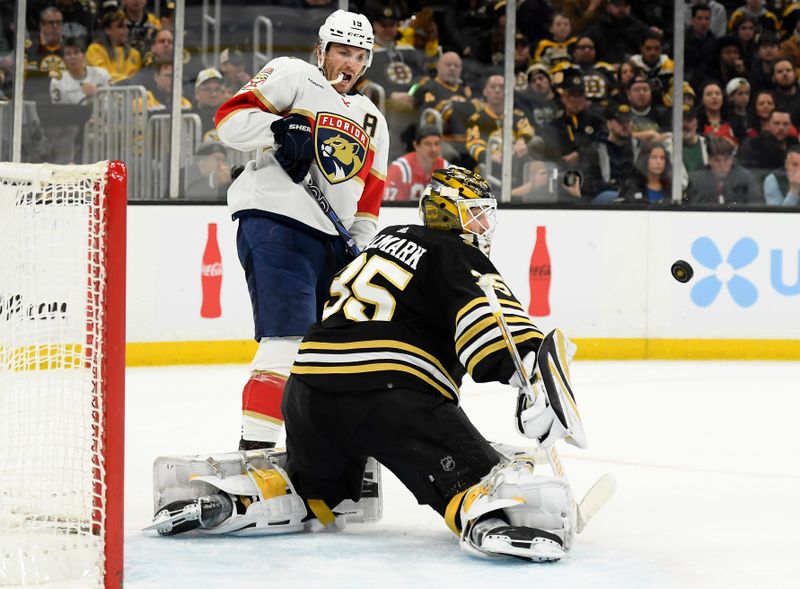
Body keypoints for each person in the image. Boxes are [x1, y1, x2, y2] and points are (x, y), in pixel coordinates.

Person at [147, 167, 584, 565]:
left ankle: (244, 499)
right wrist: (526, 375)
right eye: (476, 215)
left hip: (308, 394)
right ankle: (493, 514)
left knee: (313, 491)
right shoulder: (456, 252)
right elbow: (491, 323)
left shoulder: (378, 244)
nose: (483, 226)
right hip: (390, 394)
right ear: (450, 213)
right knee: (473, 478)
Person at [214, 9, 389, 450]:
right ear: (322, 50)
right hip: (277, 225)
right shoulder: (293, 75)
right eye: (341, 51)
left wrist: (361, 253)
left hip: (335, 244)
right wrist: (279, 128)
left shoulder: (373, 119)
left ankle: (326, 455)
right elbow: (229, 120)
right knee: (287, 341)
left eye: (358, 55)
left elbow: (367, 201)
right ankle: (254, 453)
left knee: (335, 355)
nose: (348, 63)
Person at [685, 136, 763, 206]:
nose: (722, 165)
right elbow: (692, 208)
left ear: (732, 159)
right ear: (709, 160)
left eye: (726, 160)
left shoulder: (745, 178)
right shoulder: (696, 180)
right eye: (716, 160)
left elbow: (756, 204)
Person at [383, 125, 449, 201]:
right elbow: (390, 207)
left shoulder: (446, 169)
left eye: (437, 144)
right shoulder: (400, 169)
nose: (433, 149)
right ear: (416, 146)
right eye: (428, 144)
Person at [86, 9, 142, 84]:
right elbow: (102, 75)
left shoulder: (135, 54)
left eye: (126, 26)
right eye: (120, 27)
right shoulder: (95, 50)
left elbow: (136, 79)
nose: (126, 30)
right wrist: (125, 80)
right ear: (107, 30)